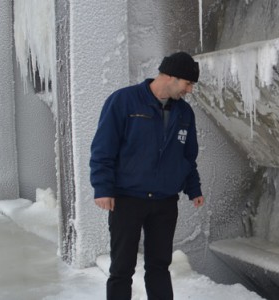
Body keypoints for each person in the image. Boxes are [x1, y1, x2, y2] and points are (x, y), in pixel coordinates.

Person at [89, 51, 205, 300]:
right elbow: (103, 148)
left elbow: (187, 157)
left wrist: (193, 188)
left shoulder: (184, 114)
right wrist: (103, 188)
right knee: (121, 268)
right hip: (127, 199)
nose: (189, 90)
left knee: (159, 267)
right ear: (171, 77)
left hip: (164, 202)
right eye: (187, 84)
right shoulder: (124, 101)